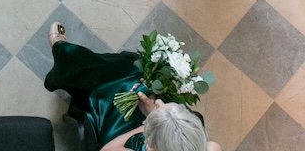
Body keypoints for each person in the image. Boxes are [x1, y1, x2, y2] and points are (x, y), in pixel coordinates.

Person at [44, 24, 220, 151]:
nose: (160, 103)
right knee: (137, 75)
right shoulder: (212, 148)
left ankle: (66, 56)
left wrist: (151, 120)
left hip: (121, 136)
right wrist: (157, 117)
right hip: (158, 132)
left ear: (151, 146)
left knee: (119, 85)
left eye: (162, 106)